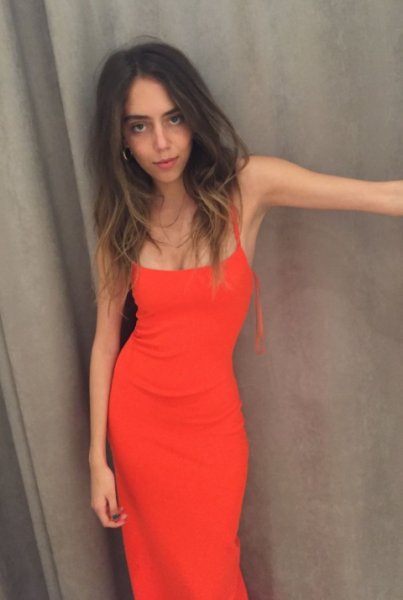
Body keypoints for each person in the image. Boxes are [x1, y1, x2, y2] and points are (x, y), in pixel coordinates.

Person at [88, 38, 402, 600]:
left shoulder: (247, 185)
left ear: (194, 115)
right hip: (138, 427)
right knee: (165, 578)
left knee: (210, 572)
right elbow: (105, 343)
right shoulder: (122, 218)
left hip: (212, 431)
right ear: (121, 138)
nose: (161, 143)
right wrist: (97, 459)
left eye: (174, 118)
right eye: (139, 126)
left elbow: (382, 197)